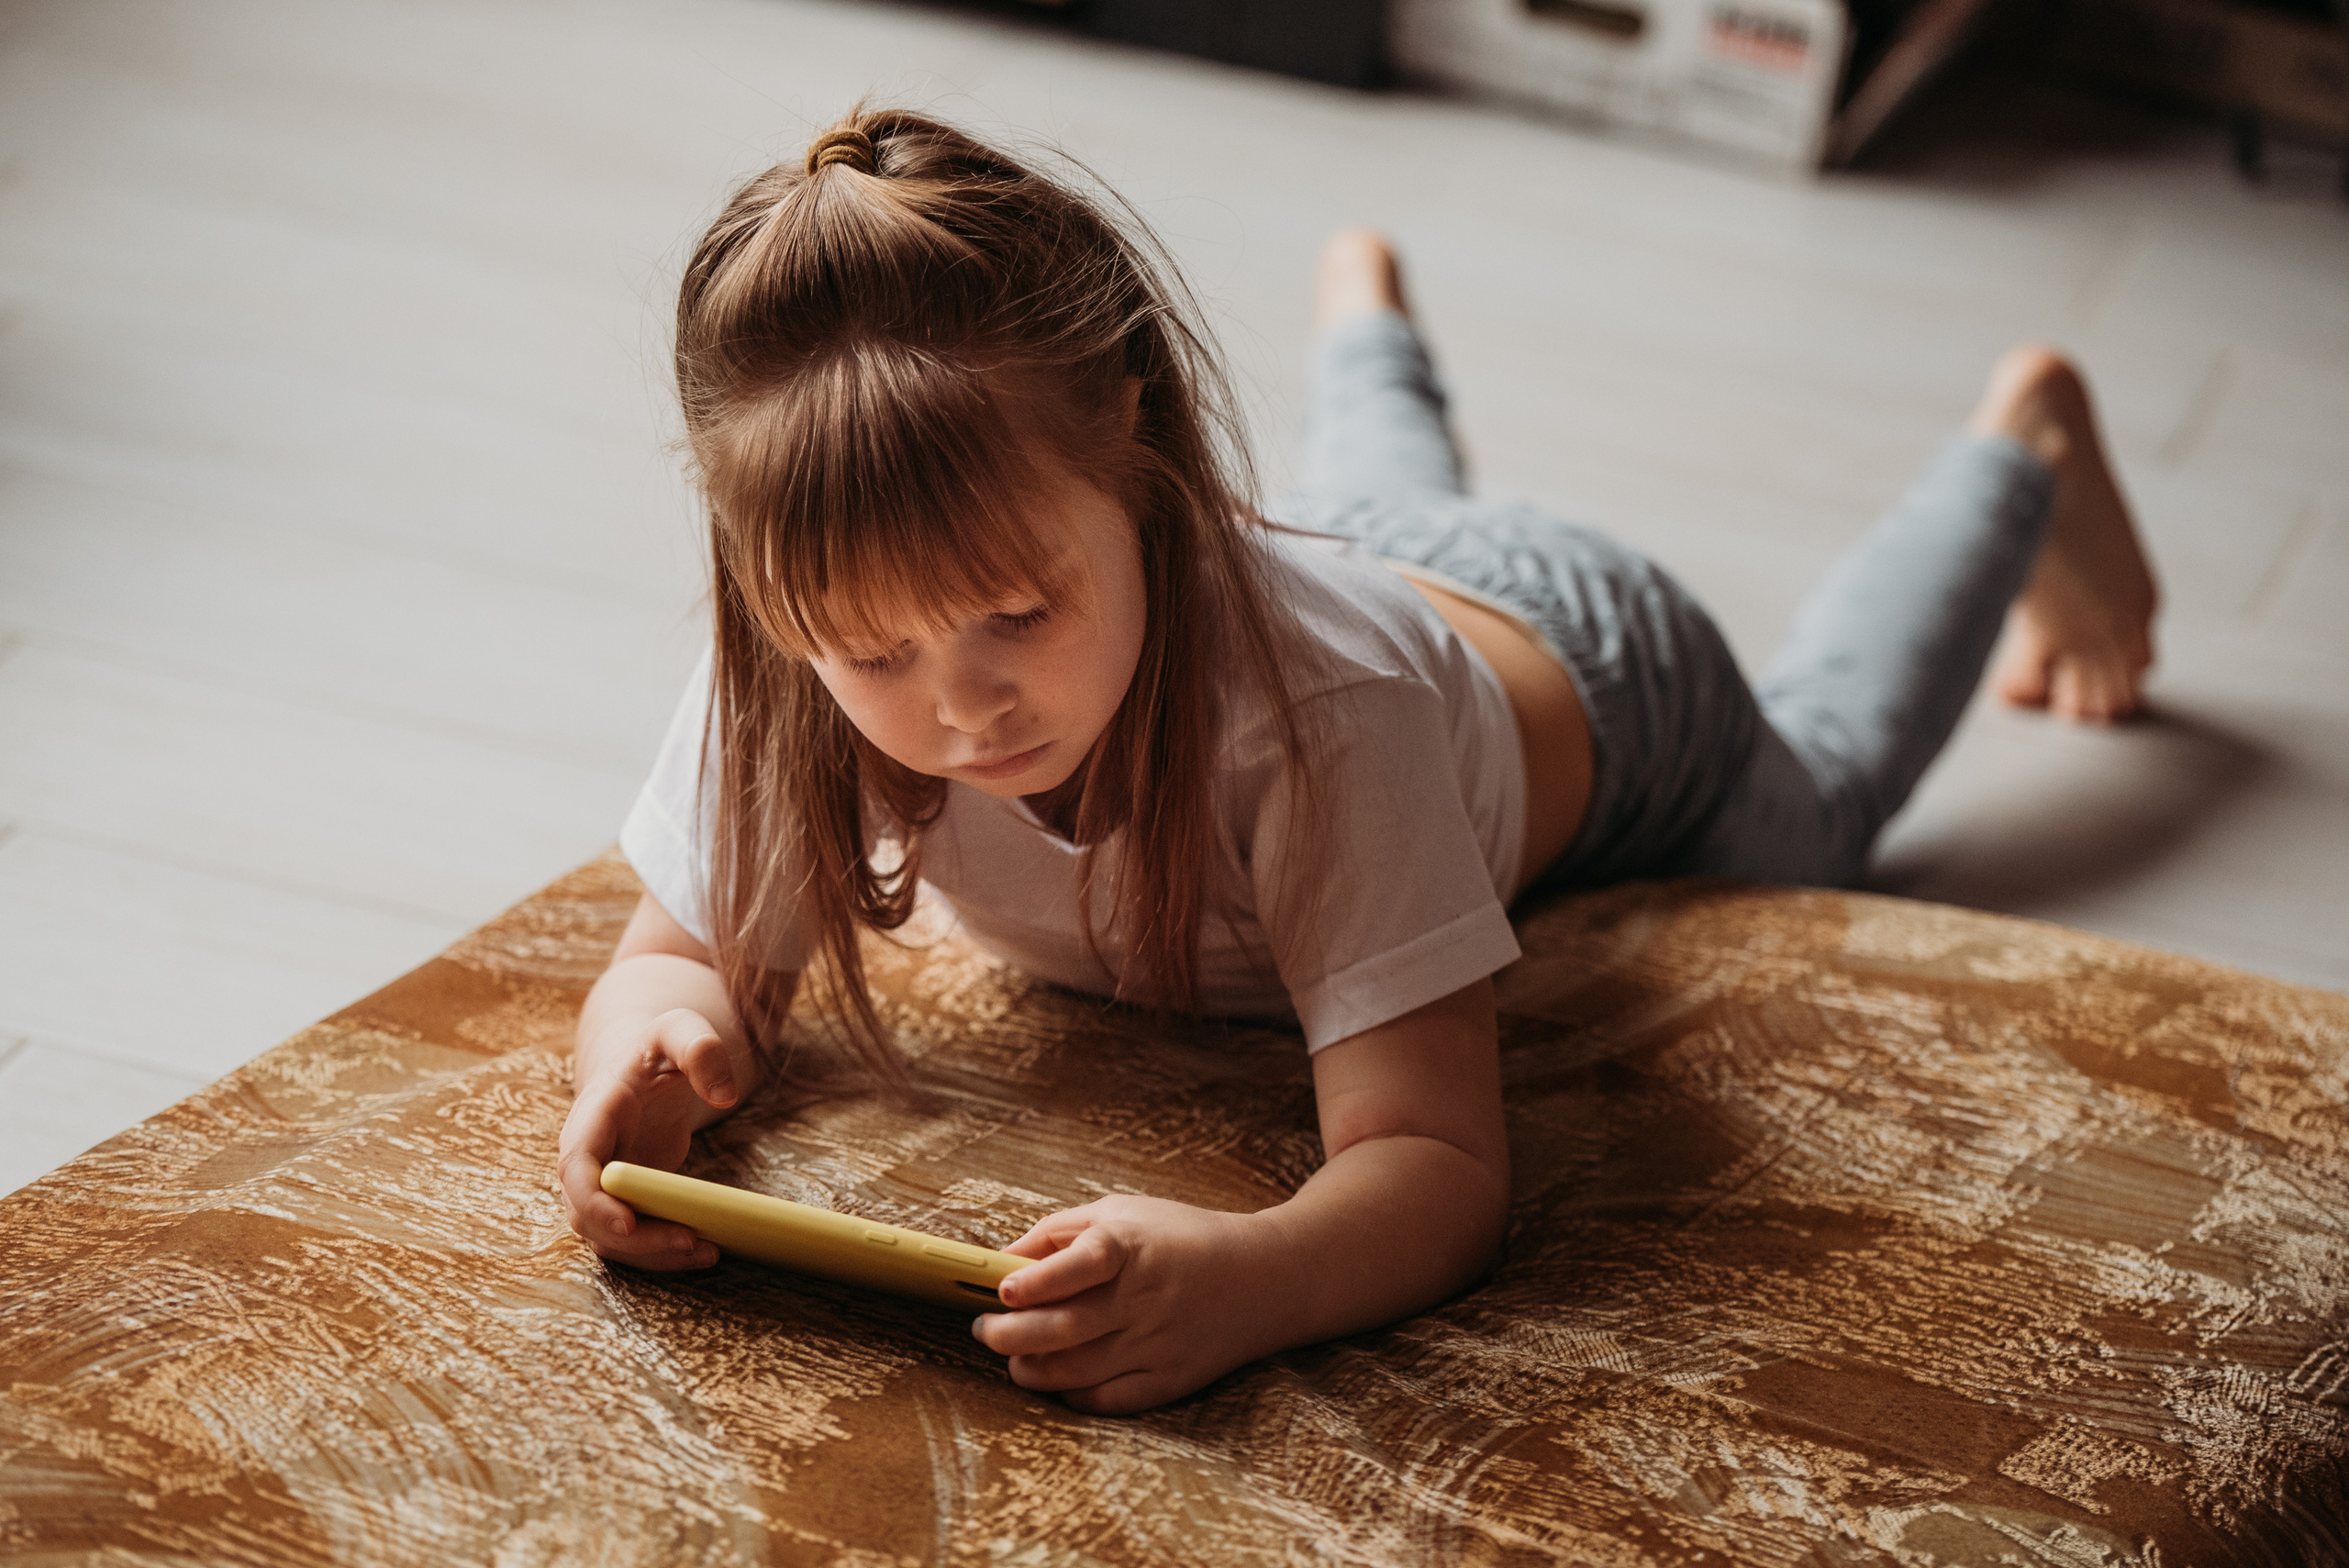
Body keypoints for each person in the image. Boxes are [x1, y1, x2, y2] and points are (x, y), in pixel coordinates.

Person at [555, 109, 2159, 1415]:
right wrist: (649, 1056)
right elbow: (679, 954)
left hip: (1596, 665)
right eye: (878, 655)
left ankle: (2020, 449)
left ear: (1144, 445)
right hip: (1357, 558)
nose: (963, 705)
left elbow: (1438, 1161)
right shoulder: (810, 644)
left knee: (1828, 788)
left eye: (1012, 614)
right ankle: (1368, 317)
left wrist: (1253, 1274)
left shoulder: (1328, 716)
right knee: (1379, 506)